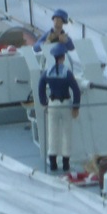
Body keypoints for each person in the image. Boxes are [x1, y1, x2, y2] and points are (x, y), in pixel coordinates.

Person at [37, 43, 81, 172]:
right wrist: (76, 106)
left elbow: (41, 85)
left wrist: (43, 101)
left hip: (52, 104)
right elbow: (76, 90)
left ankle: (53, 162)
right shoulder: (67, 73)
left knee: (52, 132)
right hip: (65, 104)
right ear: (63, 57)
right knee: (66, 133)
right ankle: (66, 163)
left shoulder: (47, 72)